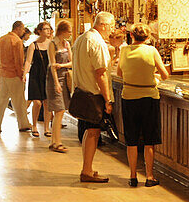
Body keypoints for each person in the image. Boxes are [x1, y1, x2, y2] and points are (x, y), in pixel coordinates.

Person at [117, 24, 169, 187]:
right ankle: (149, 176)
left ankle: (132, 176)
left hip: (129, 97)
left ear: (131, 35)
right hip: (149, 98)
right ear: (147, 38)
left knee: (131, 139)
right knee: (149, 139)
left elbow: (119, 73)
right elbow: (165, 75)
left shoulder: (124, 50)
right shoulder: (152, 51)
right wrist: (152, 75)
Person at [70, 13, 114, 183]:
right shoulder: (97, 42)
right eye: (111, 26)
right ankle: (87, 170)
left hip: (82, 91)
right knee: (94, 132)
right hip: (93, 94)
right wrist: (108, 100)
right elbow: (100, 73)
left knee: (88, 131)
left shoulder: (81, 39)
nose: (111, 31)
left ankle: (87, 168)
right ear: (103, 25)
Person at [0, 20, 32, 134]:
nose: (24, 31)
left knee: (1, 101)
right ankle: (23, 124)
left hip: (3, 74)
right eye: (23, 28)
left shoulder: (1, 39)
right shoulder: (16, 41)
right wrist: (21, 74)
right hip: (14, 75)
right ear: (19, 28)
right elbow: (18, 60)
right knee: (19, 101)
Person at [45, 20, 73, 152]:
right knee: (59, 110)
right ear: (63, 31)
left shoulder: (66, 44)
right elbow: (52, 65)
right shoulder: (53, 44)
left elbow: (72, 63)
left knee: (60, 111)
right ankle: (57, 142)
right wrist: (56, 83)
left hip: (65, 77)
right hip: (54, 79)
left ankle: (54, 141)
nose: (71, 33)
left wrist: (62, 65)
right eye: (69, 31)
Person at [24, 21, 52, 137]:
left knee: (47, 103)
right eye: (45, 29)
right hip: (35, 75)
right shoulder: (33, 45)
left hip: (47, 75)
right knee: (37, 102)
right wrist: (24, 73)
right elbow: (28, 61)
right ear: (39, 31)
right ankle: (34, 125)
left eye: (49, 29)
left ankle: (46, 127)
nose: (48, 31)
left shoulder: (51, 44)